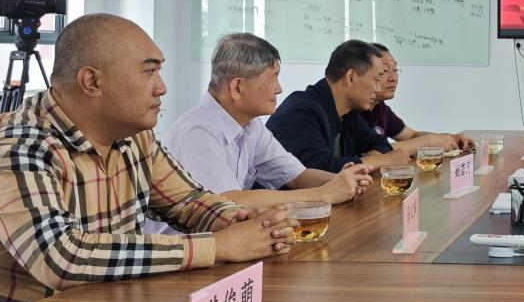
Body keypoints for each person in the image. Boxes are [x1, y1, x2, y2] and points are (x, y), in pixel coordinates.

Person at [0, 14, 297, 302]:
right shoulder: (15, 148)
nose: (162, 87)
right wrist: (218, 245)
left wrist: (245, 223)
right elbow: (62, 257)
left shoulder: (133, 138)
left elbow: (189, 202)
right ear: (92, 81)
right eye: (149, 72)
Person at [147, 34, 376, 235]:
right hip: (188, 258)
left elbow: (297, 176)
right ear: (237, 87)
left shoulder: (250, 125)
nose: (279, 88)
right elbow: (228, 202)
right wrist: (324, 194)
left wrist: (342, 180)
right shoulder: (197, 133)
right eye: (272, 78)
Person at [267, 40, 411, 172]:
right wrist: (383, 161)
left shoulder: (348, 112)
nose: (378, 89)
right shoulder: (301, 110)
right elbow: (317, 170)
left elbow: (379, 143)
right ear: (351, 77)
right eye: (376, 80)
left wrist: (372, 160)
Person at [365, 44, 474, 154]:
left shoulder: (380, 108)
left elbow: (411, 136)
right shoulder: (356, 111)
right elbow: (371, 154)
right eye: (385, 71)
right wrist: (428, 142)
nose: (394, 78)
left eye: (395, 70)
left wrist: (450, 138)